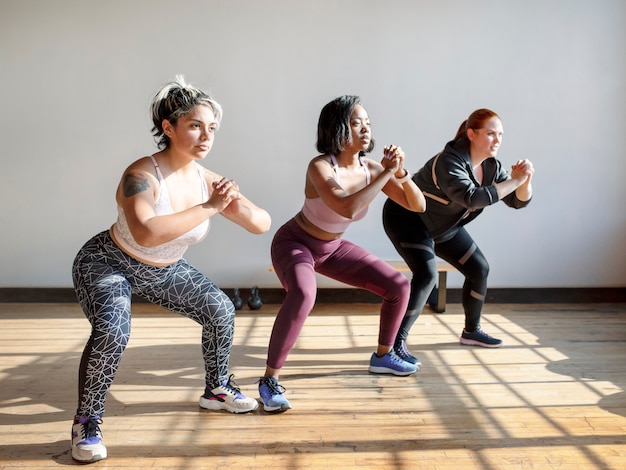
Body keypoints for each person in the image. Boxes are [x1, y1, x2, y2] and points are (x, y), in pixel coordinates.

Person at [70, 76, 271, 463]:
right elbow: (146, 232)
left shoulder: (207, 181)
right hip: (107, 261)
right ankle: (87, 421)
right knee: (113, 329)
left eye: (211, 127)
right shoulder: (141, 175)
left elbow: (261, 223)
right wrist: (211, 207)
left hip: (164, 269)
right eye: (195, 125)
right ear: (168, 127)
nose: (206, 136)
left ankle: (216, 389)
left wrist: (232, 203)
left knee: (220, 309)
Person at [257, 95, 426, 412]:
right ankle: (269, 380)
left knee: (398, 285)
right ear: (337, 128)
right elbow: (347, 206)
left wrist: (399, 172)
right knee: (305, 295)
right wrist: (385, 173)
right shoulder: (320, 166)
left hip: (332, 248)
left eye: (368, 123)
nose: (365, 129)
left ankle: (383, 356)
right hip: (295, 242)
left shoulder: (371, 168)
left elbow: (418, 205)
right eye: (356, 123)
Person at [382, 108, 534, 363]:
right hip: (408, 221)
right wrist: (515, 181)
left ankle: (471, 331)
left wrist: (526, 179)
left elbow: (517, 203)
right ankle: (395, 344)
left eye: (500, 135)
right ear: (472, 134)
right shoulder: (448, 161)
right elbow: (472, 199)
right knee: (427, 274)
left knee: (479, 269)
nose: (497, 140)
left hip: (444, 226)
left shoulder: (491, 166)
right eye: (491, 134)